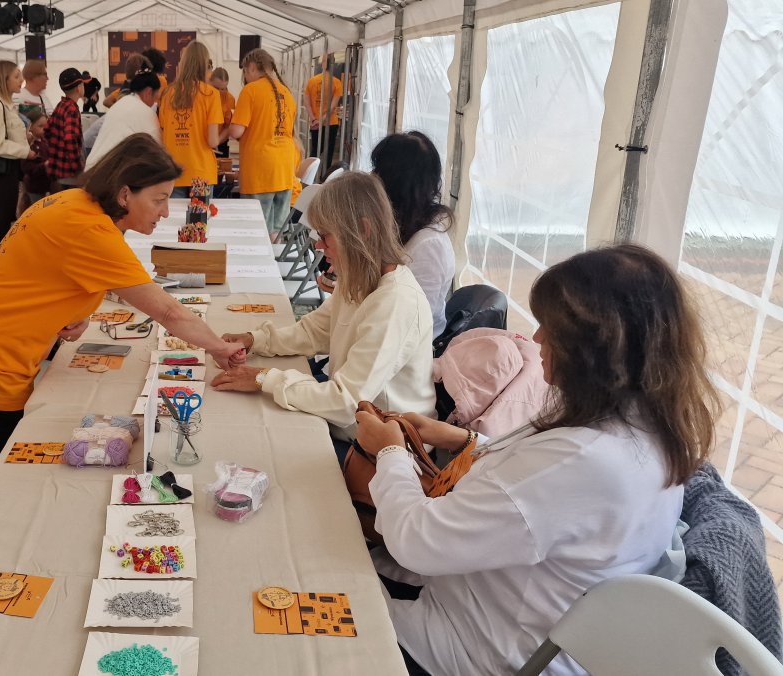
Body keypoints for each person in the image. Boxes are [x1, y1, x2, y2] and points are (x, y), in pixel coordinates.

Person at [356, 244, 717, 675]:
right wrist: (465, 440)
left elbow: (417, 542)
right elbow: (532, 492)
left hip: (474, 652)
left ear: (596, 349)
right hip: (487, 610)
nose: (538, 338)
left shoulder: (585, 464)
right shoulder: (646, 428)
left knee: (320, 591)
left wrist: (390, 452)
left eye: (553, 329)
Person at [0, 133, 246, 459]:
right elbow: (169, 312)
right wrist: (219, 347)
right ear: (124, 194)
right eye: (159, 199)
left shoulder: (76, 201)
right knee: (12, 461)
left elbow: (52, 269)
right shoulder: (93, 230)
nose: (166, 212)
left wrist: (76, 310)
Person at [213, 172, 435, 455]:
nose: (318, 245)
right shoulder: (359, 278)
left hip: (385, 453)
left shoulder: (395, 303)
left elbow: (345, 402)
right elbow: (313, 332)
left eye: (325, 236)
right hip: (354, 427)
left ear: (362, 231)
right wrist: (254, 340)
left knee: (256, 449)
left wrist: (263, 378)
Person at [371, 131, 456, 335]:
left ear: (394, 182)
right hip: (383, 333)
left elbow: (414, 320)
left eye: (378, 170)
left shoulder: (429, 245)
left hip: (409, 345)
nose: (372, 176)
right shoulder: (402, 225)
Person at [230, 48, 297, 235]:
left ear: (252, 67)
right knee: (276, 230)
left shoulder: (250, 90)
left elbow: (236, 131)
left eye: (245, 71)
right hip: (285, 169)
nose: (245, 77)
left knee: (256, 230)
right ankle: (274, 255)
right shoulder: (287, 93)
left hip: (260, 170)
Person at [158, 41, 223, 198]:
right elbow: (213, 141)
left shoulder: (167, 94)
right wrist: (226, 132)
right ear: (204, 65)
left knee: (174, 214)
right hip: (202, 172)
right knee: (200, 214)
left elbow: (163, 134)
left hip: (174, 171)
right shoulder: (211, 94)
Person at [0, 61, 36, 246]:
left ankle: (2, 254)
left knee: (6, 214)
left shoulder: (7, 104)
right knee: (2, 216)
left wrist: (25, 139)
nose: (21, 80)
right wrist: (25, 152)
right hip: (1, 169)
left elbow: (7, 134)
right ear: (4, 79)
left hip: (10, 166)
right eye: (16, 76)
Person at [86, 64, 162, 170]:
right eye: (155, 97)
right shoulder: (145, 112)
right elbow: (157, 151)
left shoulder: (121, 103)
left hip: (93, 168)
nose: (155, 102)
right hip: (109, 171)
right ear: (148, 92)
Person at [44, 68, 89, 188]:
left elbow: (47, 130)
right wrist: (77, 167)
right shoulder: (72, 110)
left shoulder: (61, 105)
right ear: (79, 88)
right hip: (70, 174)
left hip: (58, 171)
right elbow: (70, 139)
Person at [305, 55, 344, 176]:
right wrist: (322, 120)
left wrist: (314, 119)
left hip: (315, 123)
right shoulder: (337, 83)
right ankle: (325, 176)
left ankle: (309, 176)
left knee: (315, 150)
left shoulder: (311, 81)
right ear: (333, 64)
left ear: (322, 64)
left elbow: (306, 103)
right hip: (331, 122)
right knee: (328, 152)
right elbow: (332, 107)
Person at [20, 110, 51, 212]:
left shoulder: (44, 141)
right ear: (30, 126)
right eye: (40, 126)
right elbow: (26, 168)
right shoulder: (28, 145)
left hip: (44, 184)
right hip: (34, 186)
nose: (44, 129)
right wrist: (44, 165)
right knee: (36, 210)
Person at [209, 67, 236, 158]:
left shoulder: (230, 99)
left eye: (223, 89)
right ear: (209, 82)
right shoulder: (202, 96)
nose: (220, 92)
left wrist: (217, 141)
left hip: (220, 143)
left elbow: (227, 127)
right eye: (216, 88)